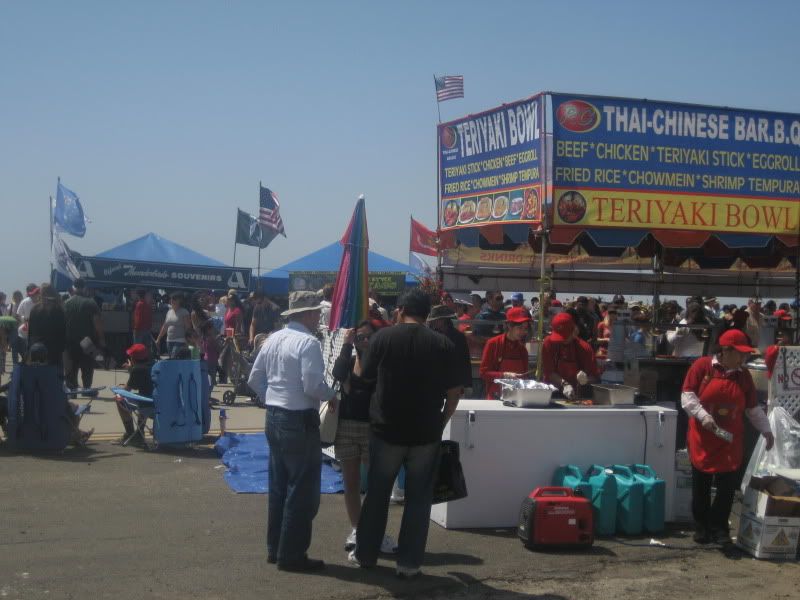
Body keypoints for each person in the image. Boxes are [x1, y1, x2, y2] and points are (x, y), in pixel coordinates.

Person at [352, 288, 462, 578]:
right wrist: (442, 420)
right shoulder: (443, 344)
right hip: (426, 431)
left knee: (377, 494)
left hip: (386, 429)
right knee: (418, 499)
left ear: (400, 310)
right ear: (427, 314)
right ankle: (409, 563)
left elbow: (362, 376)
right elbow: (454, 392)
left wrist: (358, 350)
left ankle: (366, 555)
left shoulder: (383, 338)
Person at [247, 291, 336, 572]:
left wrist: (273, 398)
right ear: (308, 314)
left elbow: (254, 379)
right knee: (302, 489)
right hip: (298, 419)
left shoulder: (273, 338)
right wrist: (332, 394)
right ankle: (292, 553)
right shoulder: (308, 343)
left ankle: (276, 548)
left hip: (275, 416)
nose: (319, 318)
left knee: (279, 485)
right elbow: (312, 386)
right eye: (317, 314)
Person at [681, 329, 774, 544]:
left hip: (730, 440)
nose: (744, 358)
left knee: (726, 487)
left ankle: (720, 528)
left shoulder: (743, 376)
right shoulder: (702, 367)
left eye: (745, 355)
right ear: (725, 350)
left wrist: (767, 430)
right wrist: (703, 416)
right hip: (703, 438)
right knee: (701, 485)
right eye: (740, 354)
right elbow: (687, 396)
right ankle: (701, 527)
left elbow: (752, 409)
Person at [331, 320, 398, 554]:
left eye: (369, 336)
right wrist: (346, 345)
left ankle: (373, 531)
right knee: (350, 483)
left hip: (373, 428)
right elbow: (337, 373)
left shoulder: (382, 363)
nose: (365, 341)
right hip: (347, 426)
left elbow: (372, 393)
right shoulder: (349, 360)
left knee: (375, 485)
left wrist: (353, 386)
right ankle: (358, 529)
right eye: (360, 337)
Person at [541, 312, 599, 399]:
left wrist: (586, 380)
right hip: (550, 395)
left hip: (577, 397)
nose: (561, 340)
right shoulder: (548, 343)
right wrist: (565, 384)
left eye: (564, 336)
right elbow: (549, 372)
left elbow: (595, 378)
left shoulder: (585, 348)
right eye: (558, 336)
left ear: (573, 331)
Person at [479, 306, 532, 399]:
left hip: (517, 398)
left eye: (525, 328)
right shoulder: (493, 343)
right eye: (520, 328)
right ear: (509, 325)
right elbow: (483, 373)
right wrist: (504, 375)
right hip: (495, 398)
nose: (523, 332)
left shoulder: (522, 350)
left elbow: (525, 377)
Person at [63, 278, 104, 391]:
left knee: (71, 368)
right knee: (87, 367)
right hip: (87, 341)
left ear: (74, 287)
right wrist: (101, 339)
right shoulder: (91, 302)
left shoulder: (66, 303)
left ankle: (72, 390)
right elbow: (97, 323)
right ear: (84, 287)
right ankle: (86, 389)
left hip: (70, 341)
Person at [113, 343, 154, 445]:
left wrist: (120, 388)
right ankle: (140, 432)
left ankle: (130, 432)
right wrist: (132, 369)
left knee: (119, 398)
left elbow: (127, 390)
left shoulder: (137, 370)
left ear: (133, 358)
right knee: (141, 396)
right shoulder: (153, 366)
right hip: (157, 402)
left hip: (146, 404)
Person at [427, 305, 472, 391]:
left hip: (454, 381)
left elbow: (465, 361)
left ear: (444, 320)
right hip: (435, 381)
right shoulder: (431, 336)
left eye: (436, 320)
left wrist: (468, 385)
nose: (434, 322)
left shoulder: (458, 337)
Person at [27, 284, 66, 367]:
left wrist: (29, 349)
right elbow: (63, 331)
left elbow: (30, 332)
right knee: (53, 376)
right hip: (54, 349)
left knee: (37, 376)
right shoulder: (59, 309)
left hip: (37, 348)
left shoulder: (35, 309)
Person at [155, 292, 191, 358]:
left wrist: (187, 341)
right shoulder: (169, 312)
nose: (172, 300)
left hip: (180, 341)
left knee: (174, 358)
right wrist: (158, 339)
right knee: (171, 359)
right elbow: (165, 326)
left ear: (180, 301)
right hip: (169, 341)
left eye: (174, 299)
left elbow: (188, 328)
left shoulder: (184, 312)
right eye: (171, 299)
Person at [132, 289, 153, 353]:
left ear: (138, 295)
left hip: (139, 330)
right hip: (147, 329)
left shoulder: (139, 304)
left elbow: (138, 318)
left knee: (137, 348)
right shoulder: (148, 305)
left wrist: (135, 329)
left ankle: (137, 362)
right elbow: (150, 318)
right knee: (147, 348)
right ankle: (148, 361)